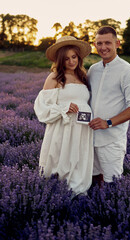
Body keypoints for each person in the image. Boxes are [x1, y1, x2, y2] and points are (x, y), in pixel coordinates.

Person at [34, 36, 93, 196]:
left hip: (82, 128)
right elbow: (42, 107)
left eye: (74, 57)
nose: (71, 61)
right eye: (66, 58)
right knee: (61, 158)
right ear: (60, 60)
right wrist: (64, 108)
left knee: (79, 159)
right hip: (63, 127)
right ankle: (57, 194)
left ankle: (78, 193)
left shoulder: (82, 76)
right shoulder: (54, 77)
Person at [88, 26, 130, 185]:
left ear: (117, 43)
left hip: (112, 140)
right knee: (93, 179)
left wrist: (108, 122)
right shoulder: (93, 69)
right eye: (99, 43)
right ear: (94, 45)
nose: (103, 47)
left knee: (112, 184)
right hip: (90, 138)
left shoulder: (127, 70)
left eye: (107, 43)